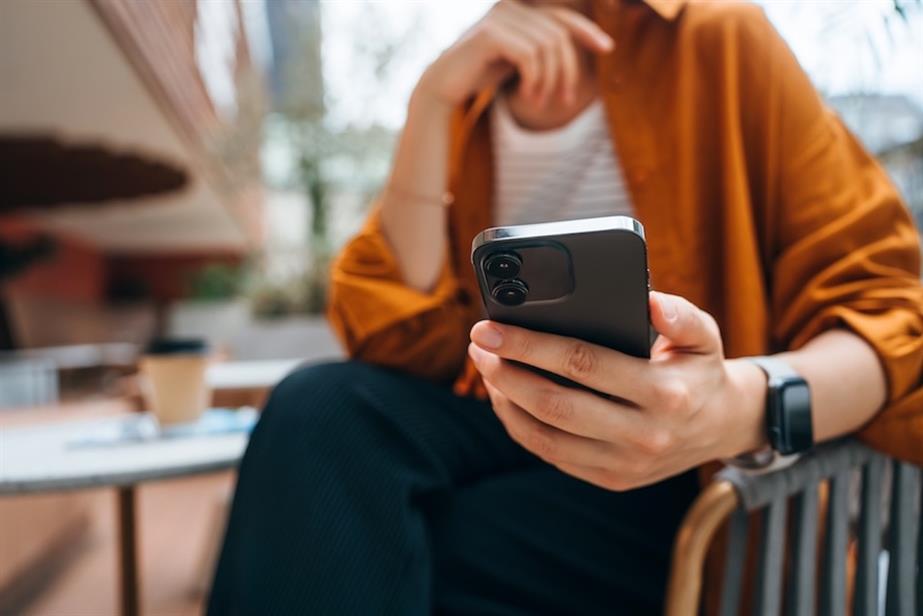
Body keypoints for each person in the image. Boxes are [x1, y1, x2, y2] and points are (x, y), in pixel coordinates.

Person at [208, 0, 923, 614]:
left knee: (354, 539)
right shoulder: (475, 90)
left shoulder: (717, 37)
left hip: (687, 476)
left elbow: (894, 312)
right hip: (511, 433)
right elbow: (394, 343)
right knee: (315, 406)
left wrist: (732, 408)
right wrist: (431, 101)